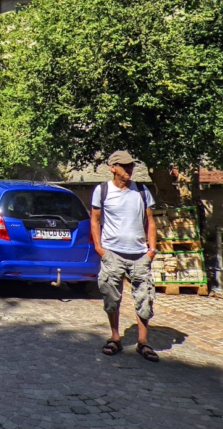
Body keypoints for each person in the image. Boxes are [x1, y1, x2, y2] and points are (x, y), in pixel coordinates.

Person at [90, 150, 159, 362]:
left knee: (144, 297)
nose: (130, 169)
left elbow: (150, 221)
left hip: (139, 254)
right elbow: (95, 220)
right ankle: (115, 337)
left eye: (131, 165)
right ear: (113, 167)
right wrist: (100, 249)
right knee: (111, 297)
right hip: (112, 253)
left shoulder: (141, 190)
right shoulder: (102, 190)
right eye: (125, 166)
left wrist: (152, 250)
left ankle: (143, 342)